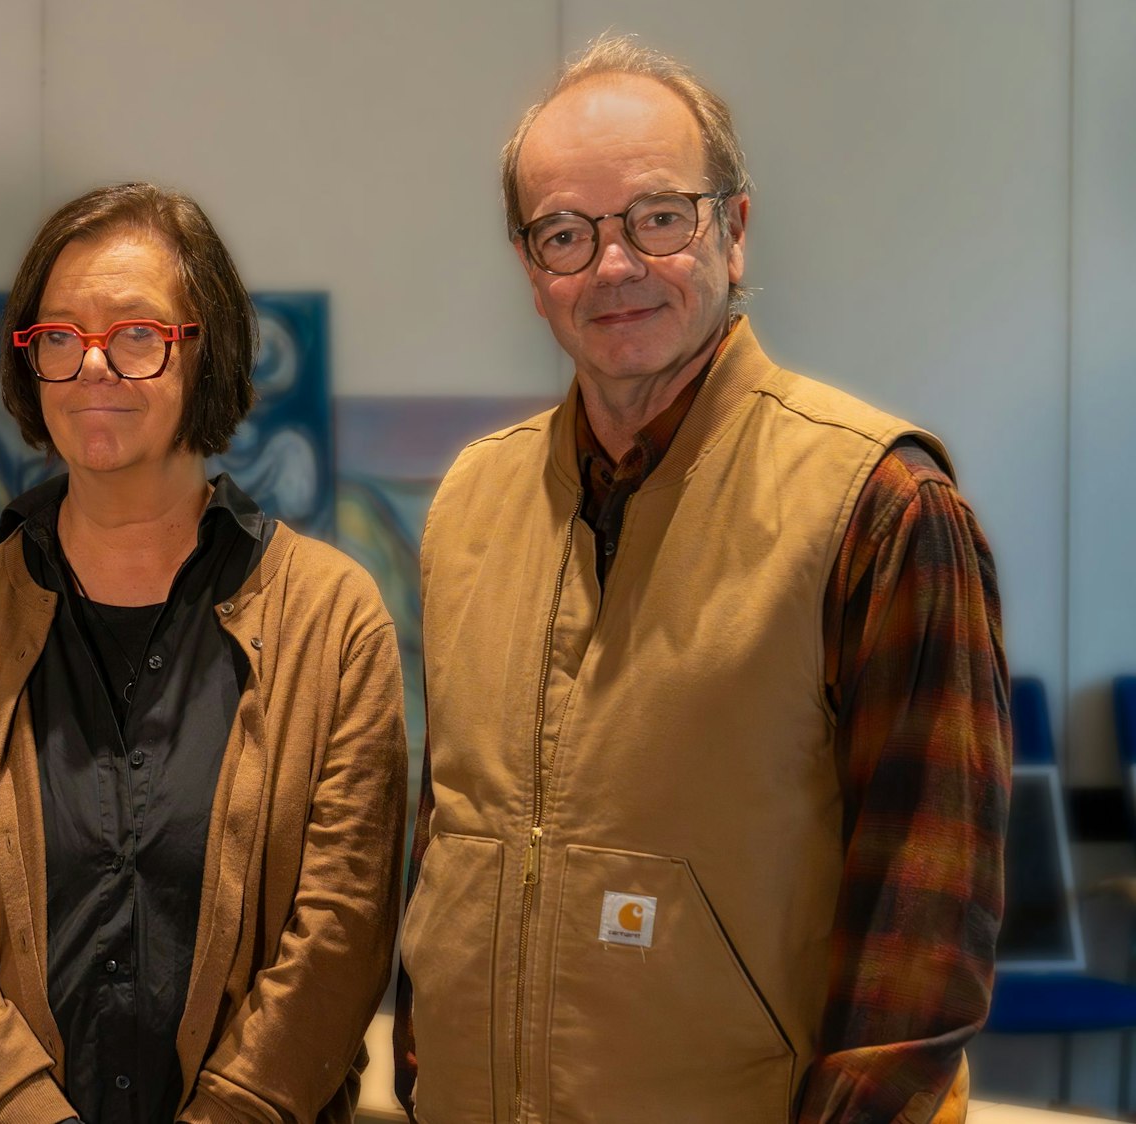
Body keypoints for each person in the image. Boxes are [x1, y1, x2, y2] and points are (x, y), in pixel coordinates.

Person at [396, 36, 1010, 1124]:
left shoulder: (880, 505)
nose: (613, 266)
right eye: (564, 233)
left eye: (657, 217)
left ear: (733, 228)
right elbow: (450, 845)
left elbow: (922, 938)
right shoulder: (469, 504)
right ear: (531, 271)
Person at [0, 182, 407, 1124]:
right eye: (59, 338)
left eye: (135, 334)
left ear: (206, 351)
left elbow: (342, 931)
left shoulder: (331, 618)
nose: (92, 365)